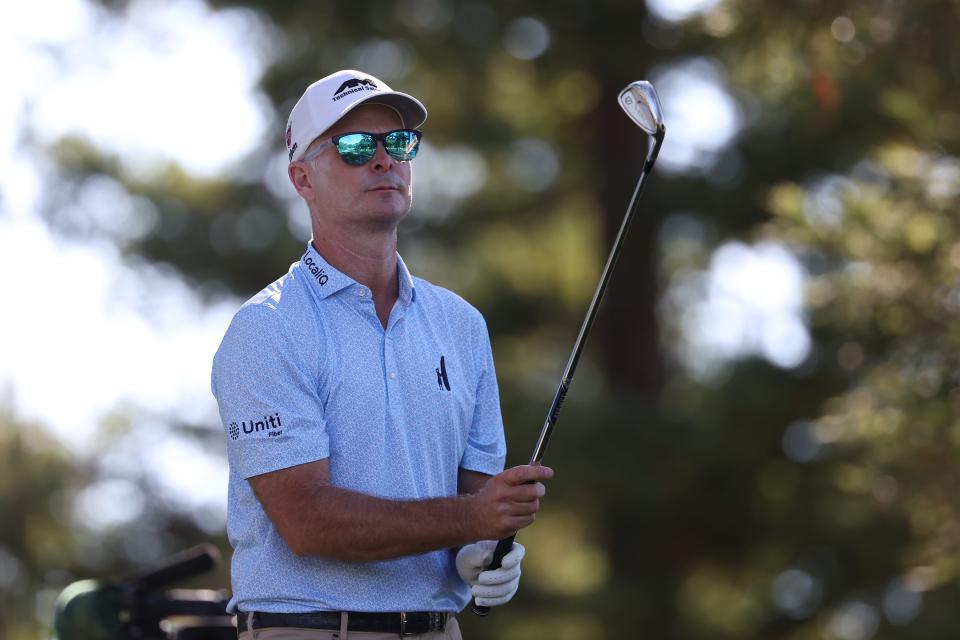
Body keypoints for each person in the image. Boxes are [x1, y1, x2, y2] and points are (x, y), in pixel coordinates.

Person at [211, 69, 554, 639]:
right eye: (352, 147)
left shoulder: (462, 326)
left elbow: (476, 496)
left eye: (397, 143)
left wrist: (483, 550)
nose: (382, 160)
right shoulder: (265, 329)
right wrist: (472, 519)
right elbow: (308, 522)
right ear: (302, 178)